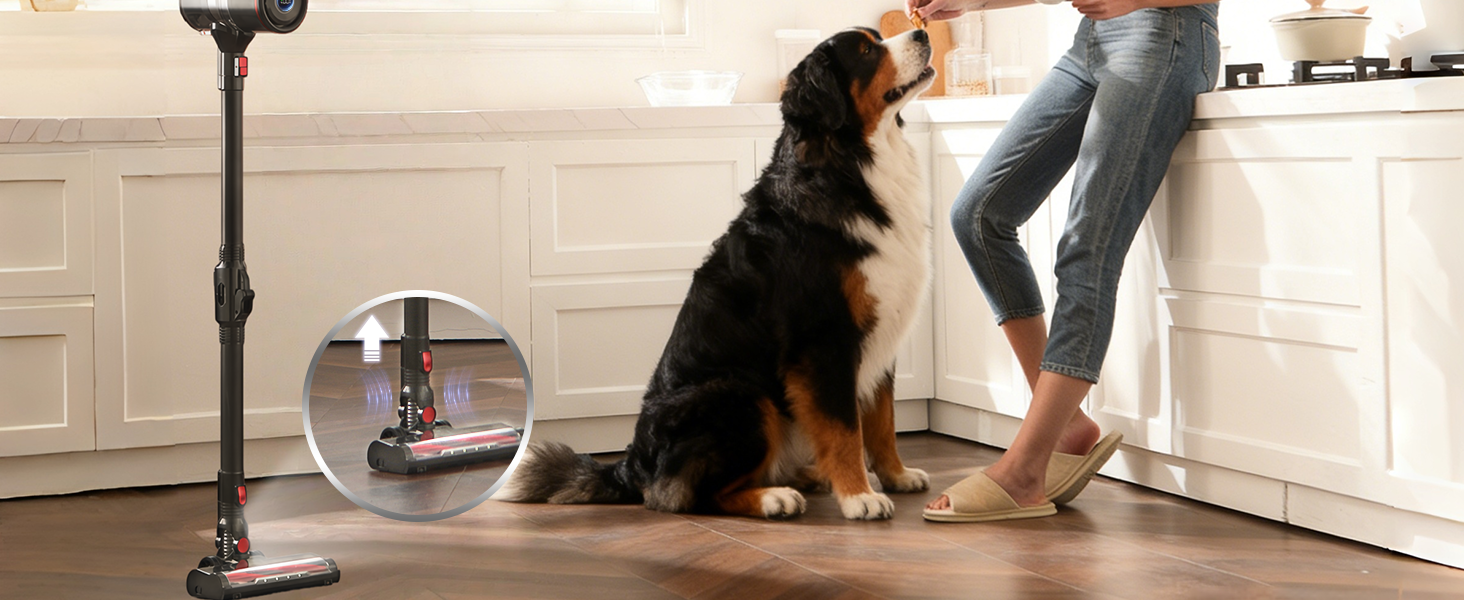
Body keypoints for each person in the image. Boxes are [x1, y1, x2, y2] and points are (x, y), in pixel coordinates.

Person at [910, 0, 1221, 522]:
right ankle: (1067, 423)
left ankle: (1026, 469)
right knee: (978, 215)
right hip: (1092, 42)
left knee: (1088, 244)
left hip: (1164, 35)